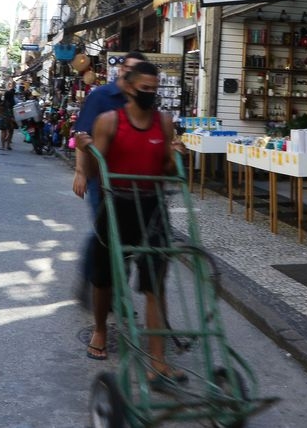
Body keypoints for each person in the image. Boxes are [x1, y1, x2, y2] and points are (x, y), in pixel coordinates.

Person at [83, 61, 184, 387]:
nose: (150, 94)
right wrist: (85, 156)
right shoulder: (109, 121)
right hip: (117, 205)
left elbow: (167, 169)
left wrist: (176, 156)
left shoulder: (164, 123)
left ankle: (158, 361)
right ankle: (100, 329)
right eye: (145, 89)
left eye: (155, 89)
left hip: (153, 208)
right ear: (128, 87)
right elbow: (96, 168)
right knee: (104, 278)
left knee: (155, 284)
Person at [71, 52, 147, 301]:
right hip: (101, 178)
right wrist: (80, 172)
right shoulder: (101, 96)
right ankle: (91, 278)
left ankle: (113, 287)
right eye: (130, 69)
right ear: (122, 69)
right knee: (104, 232)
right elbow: (82, 135)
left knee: (127, 235)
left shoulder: (141, 97)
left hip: (132, 180)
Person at [0, 85, 17, 150]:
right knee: (11, 132)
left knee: (3, 132)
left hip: (3, 118)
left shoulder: (3, 103)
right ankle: (8, 145)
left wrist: (1, 115)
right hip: (11, 119)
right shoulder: (13, 103)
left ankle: (2, 146)